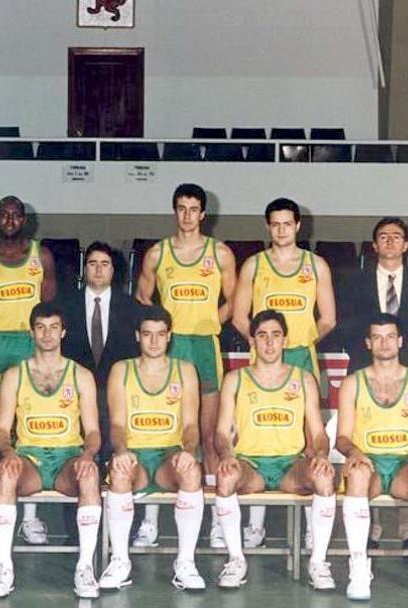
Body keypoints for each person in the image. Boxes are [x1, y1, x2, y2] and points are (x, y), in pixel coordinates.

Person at [135, 183, 236, 548]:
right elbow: (145, 298)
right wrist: (165, 330)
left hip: (204, 346)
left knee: (207, 438)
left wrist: (210, 322)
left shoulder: (220, 253)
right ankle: (150, 521)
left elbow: (235, 300)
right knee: (165, 436)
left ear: (203, 214)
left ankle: (213, 522)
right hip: (170, 347)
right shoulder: (158, 254)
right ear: (174, 211)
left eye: (194, 209)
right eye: (181, 208)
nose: (188, 215)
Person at [231, 197, 336, 550]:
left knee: (308, 439)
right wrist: (265, 343)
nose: (281, 230)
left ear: (298, 226)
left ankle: (311, 528)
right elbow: (239, 316)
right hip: (262, 359)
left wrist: (294, 341)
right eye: (274, 224)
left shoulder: (316, 265)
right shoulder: (254, 266)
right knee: (257, 434)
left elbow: (328, 318)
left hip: (301, 357)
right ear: (267, 227)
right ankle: (255, 527)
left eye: (287, 224)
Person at [341, 217, 408, 552]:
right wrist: (373, 357)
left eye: (396, 237)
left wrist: (405, 357)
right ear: (374, 246)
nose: (389, 242)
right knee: (366, 447)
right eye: (383, 237)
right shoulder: (355, 281)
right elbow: (347, 323)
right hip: (367, 371)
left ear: (406, 245)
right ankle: (370, 529)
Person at [214, 310, 336, 590]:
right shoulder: (235, 379)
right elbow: (221, 433)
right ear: (252, 341)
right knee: (225, 477)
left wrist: (320, 456)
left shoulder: (303, 378)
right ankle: (235, 560)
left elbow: (318, 433)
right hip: (250, 465)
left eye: (275, 335)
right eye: (262, 336)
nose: (269, 343)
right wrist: (227, 456)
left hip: (290, 466)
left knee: (324, 478)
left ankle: (318, 562)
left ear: (285, 341)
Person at [0, 302, 102, 599]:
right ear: (31, 332)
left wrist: (87, 456)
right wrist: (8, 453)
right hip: (30, 459)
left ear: (63, 332)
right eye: (41, 327)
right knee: (6, 475)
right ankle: (3, 566)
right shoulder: (15, 374)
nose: (48, 334)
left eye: (54, 327)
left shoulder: (81, 375)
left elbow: (92, 432)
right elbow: (1, 430)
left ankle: (85, 567)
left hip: (68, 459)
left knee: (90, 476)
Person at [0, 195, 57, 544]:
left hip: (29, 343)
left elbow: (50, 310)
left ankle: (29, 518)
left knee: (27, 427)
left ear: (24, 220)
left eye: (16, 214)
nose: (10, 219)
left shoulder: (41, 257)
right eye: (4, 213)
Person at [335, 313, 408, 601]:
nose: (384, 343)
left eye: (389, 337)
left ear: (400, 341)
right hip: (369, 464)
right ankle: (359, 566)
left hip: (404, 467)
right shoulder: (352, 383)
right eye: (377, 337)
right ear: (367, 343)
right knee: (358, 472)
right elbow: (342, 438)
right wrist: (354, 452)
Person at [99, 305, 206, 590]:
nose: (154, 341)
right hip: (134, 455)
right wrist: (120, 450)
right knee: (120, 472)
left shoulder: (185, 371)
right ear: (138, 336)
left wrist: (189, 450)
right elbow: (118, 425)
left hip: (168, 456)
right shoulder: (121, 370)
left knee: (191, 471)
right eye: (148, 334)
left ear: (169, 336)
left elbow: (190, 426)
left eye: (160, 334)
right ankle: (120, 560)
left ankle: (185, 562)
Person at [60, 242, 141, 544]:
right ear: (85, 269)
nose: (97, 268)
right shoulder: (65, 306)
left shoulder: (132, 309)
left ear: (113, 270)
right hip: (76, 400)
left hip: (117, 398)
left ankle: (126, 533)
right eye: (92, 263)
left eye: (104, 263)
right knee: (80, 460)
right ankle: (76, 534)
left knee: (121, 459)